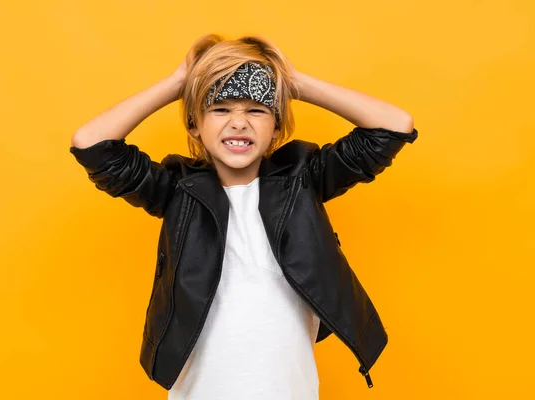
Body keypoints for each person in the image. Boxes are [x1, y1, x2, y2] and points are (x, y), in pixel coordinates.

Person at [69, 33, 418, 399]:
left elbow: (394, 126)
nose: (239, 122)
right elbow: (91, 143)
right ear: (194, 125)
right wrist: (179, 83)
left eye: (256, 110)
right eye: (220, 109)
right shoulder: (177, 191)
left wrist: (295, 83)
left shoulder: (304, 181)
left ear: (276, 128)